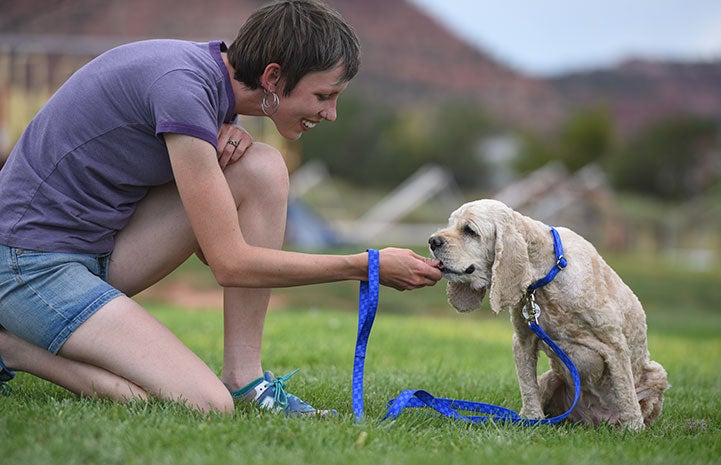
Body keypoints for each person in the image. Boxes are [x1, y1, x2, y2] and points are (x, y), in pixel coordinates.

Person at [0, 0, 442, 415]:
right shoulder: (183, 89)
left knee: (262, 168)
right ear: (272, 78)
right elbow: (229, 264)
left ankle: (245, 379)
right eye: (324, 96)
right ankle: (10, 347)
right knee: (204, 405)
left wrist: (221, 133)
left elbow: (210, 251)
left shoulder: (210, 88)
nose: (331, 114)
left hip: (95, 251)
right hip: (29, 265)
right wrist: (364, 265)